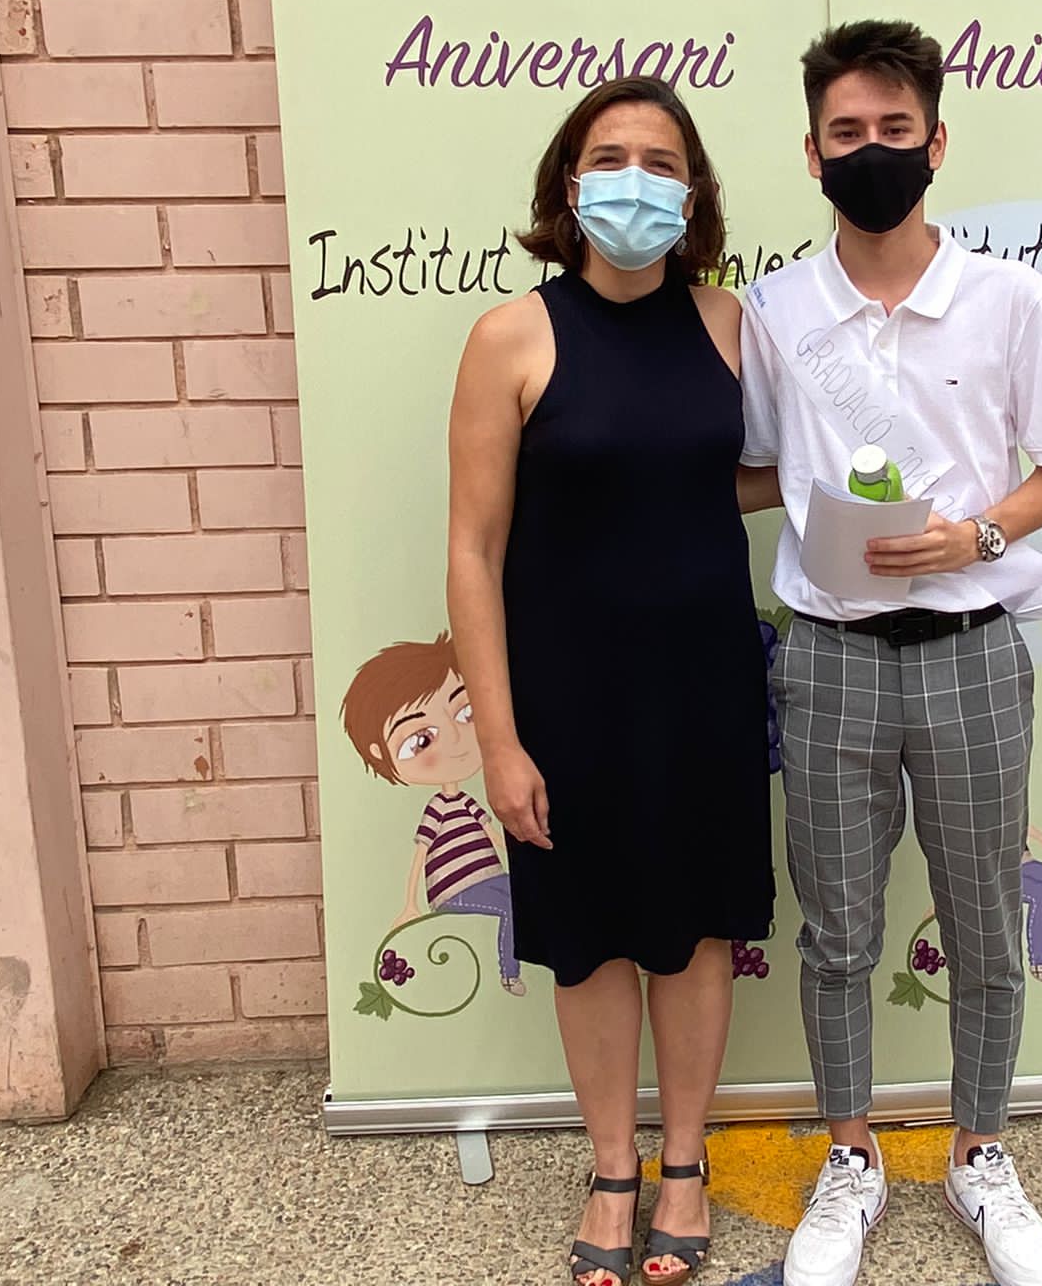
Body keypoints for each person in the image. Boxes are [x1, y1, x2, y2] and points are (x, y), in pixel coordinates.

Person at [739, 21, 1042, 1286]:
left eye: (894, 129)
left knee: (984, 922)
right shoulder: (775, 311)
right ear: (811, 154)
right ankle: (849, 1157)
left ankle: (979, 1152)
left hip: (972, 651)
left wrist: (972, 534)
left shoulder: (1008, 300)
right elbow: (756, 467)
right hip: (827, 657)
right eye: (846, 133)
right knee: (835, 928)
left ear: (936, 143)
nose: (870, 151)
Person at [446, 76, 774, 1286]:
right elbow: (473, 548)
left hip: (703, 683)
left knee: (693, 930)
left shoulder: (732, 324)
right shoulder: (511, 337)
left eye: (660, 161)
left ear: (692, 193)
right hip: (567, 697)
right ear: (568, 183)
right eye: (610, 156)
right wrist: (498, 740)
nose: (635, 179)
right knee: (586, 942)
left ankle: (683, 1162)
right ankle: (610, 1168)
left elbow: (737, 471)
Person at [340, 631, 523, 995]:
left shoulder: (467, 802)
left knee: (522, 896)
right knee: (512, 906)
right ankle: (509, 974)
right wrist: (410, 904)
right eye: (421, 740)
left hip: (487, 878)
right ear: (379, 752)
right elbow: (421, 853)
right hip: (455, 888)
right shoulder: (437, 808)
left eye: (467, 713)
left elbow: (494, 837)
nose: (455, 738)